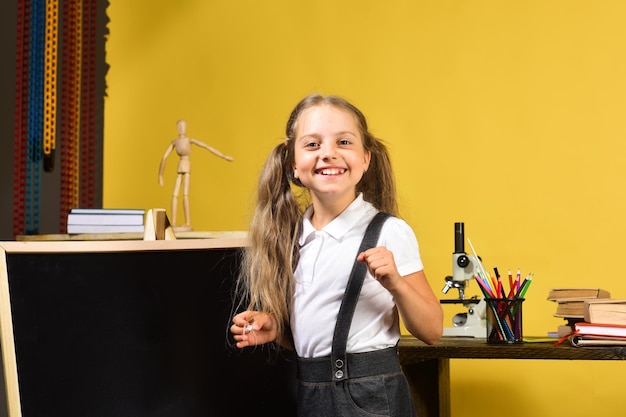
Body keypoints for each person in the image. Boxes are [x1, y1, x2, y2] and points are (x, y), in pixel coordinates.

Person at [230, 94, 443, 416]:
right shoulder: (292, 237)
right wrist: (277, 329)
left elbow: (432, 331)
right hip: (310, 389)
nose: (329, 153)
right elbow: (317, 333)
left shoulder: (388, 231)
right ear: (293, 164)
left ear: (366, 159)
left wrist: (396, 283)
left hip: (369, 393)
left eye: (344, 142)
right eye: (312, 145)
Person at [158, 119, 233, 231]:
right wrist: (160, 175)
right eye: (180, 126)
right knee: (175, 195)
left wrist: (224, 156)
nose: (181, 128)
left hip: (186, 165)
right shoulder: (175, 142)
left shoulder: (188, 140)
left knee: (185, 195)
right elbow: (164, 157)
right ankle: (173, 222)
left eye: (183, 126)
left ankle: (187, 222)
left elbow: (207, 147)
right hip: (181, 166)